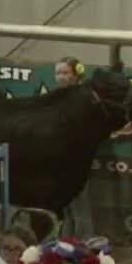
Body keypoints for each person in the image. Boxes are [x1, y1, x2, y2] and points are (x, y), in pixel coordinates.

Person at [55, 57, 94, 238]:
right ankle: (65, 246)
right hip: (60, 161)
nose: (61, 77)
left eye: (65, 73)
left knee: (79, 210)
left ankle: (84, 247)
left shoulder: (84, 97)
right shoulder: (57, 97)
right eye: (58, 73)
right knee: (66, 211)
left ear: (76, 74)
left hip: (76, 162)